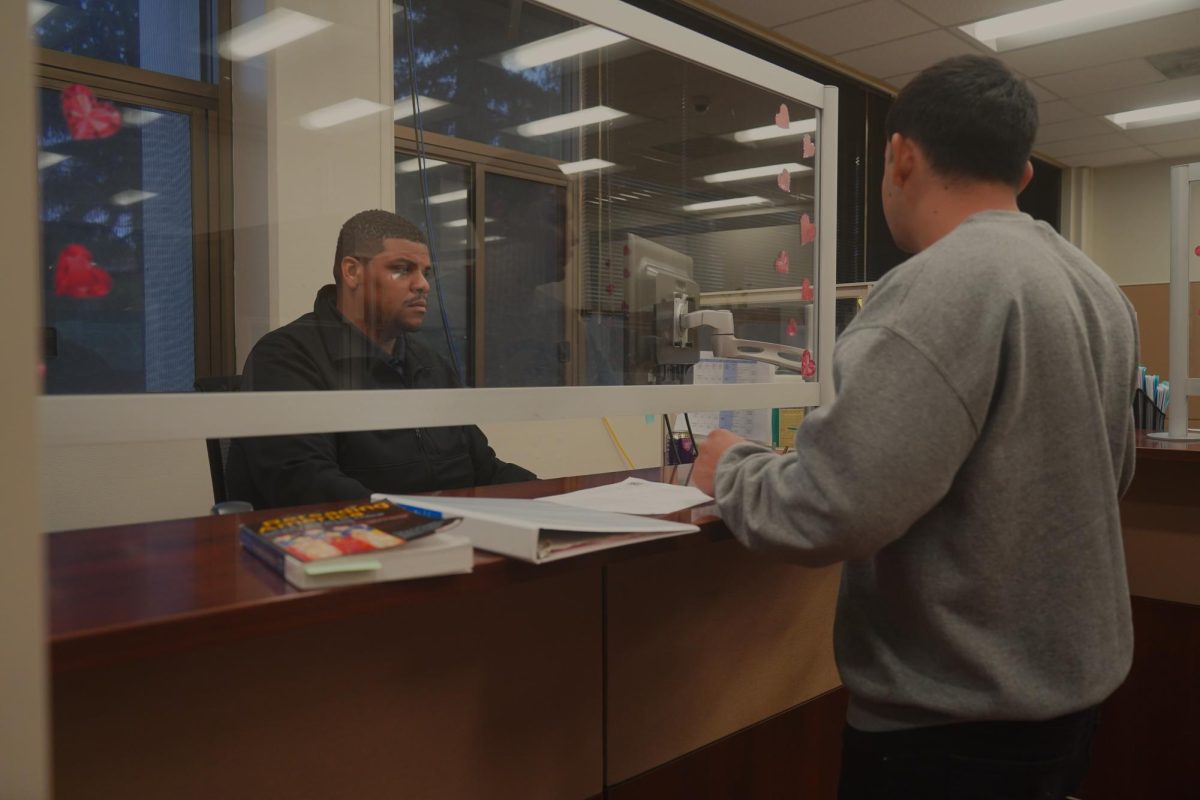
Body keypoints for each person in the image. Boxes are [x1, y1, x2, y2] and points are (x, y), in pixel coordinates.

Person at [693, 54, 1138, 799]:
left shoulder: (939, 285)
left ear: (901, 157)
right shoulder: (1095, 288)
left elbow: (830, 509)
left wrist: (728, 467)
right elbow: (1110, 474)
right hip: (1066, 708)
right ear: (1023, 175)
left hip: (952, 734)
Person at [226, 210, 535, 509]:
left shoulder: (429, 362)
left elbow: (483, 469)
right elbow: (306, 486)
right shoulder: (286, 356)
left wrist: (559, 499)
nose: (423, 285)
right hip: (354, 546)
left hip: (445, 536)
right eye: (402, 269)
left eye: (425, 273)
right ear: (352, 272)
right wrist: (421, 519)